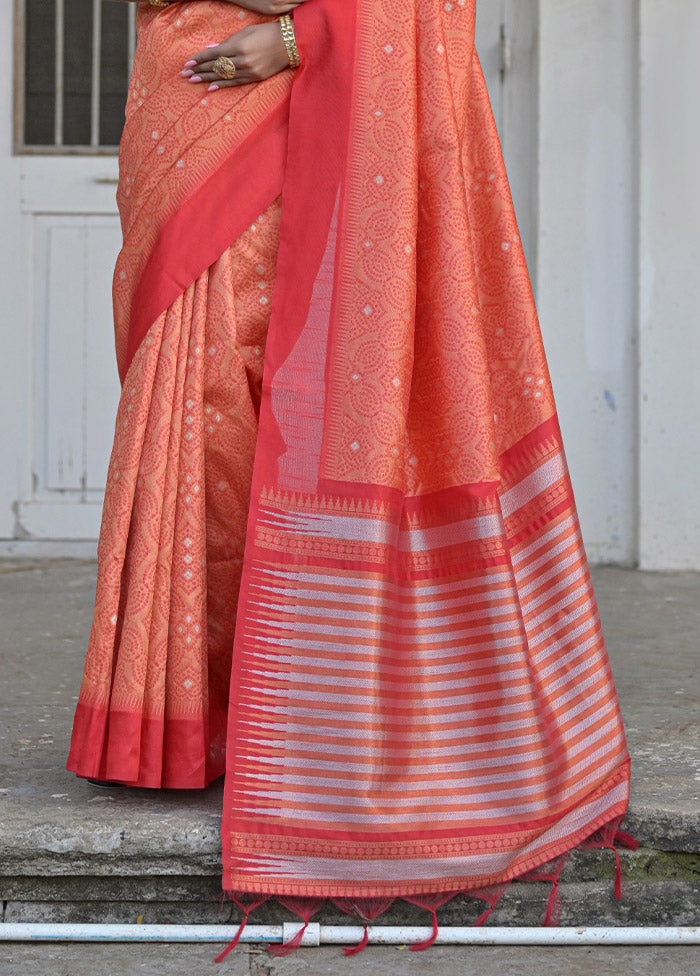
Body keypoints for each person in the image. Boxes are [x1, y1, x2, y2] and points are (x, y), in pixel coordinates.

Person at [68, 0, 634, 951]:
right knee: (198, 393)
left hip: (313, 97)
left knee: (298, 404)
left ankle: (297, 726)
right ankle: (178, 717)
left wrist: (302, 34)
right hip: (203, 97)